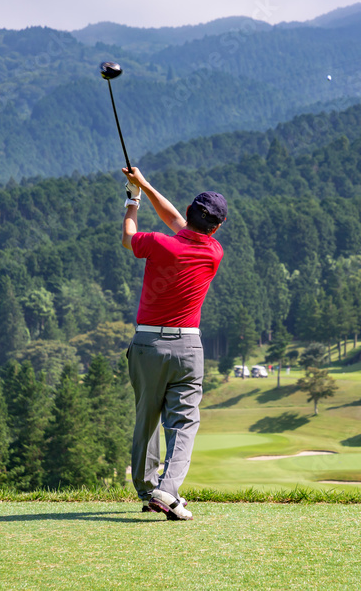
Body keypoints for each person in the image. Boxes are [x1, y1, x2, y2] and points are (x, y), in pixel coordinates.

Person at [120, 166, 226, 521]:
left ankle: (150, 489)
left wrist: (134, 199)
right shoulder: (213, 251)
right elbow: (179, 222)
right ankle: (167, 491)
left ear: (191, 212)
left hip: (147, 344)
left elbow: (129, 237)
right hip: (187, 348)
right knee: (183, 422)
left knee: (146, 416)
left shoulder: (158, 242)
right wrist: (146, 186)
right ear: (217, 226)